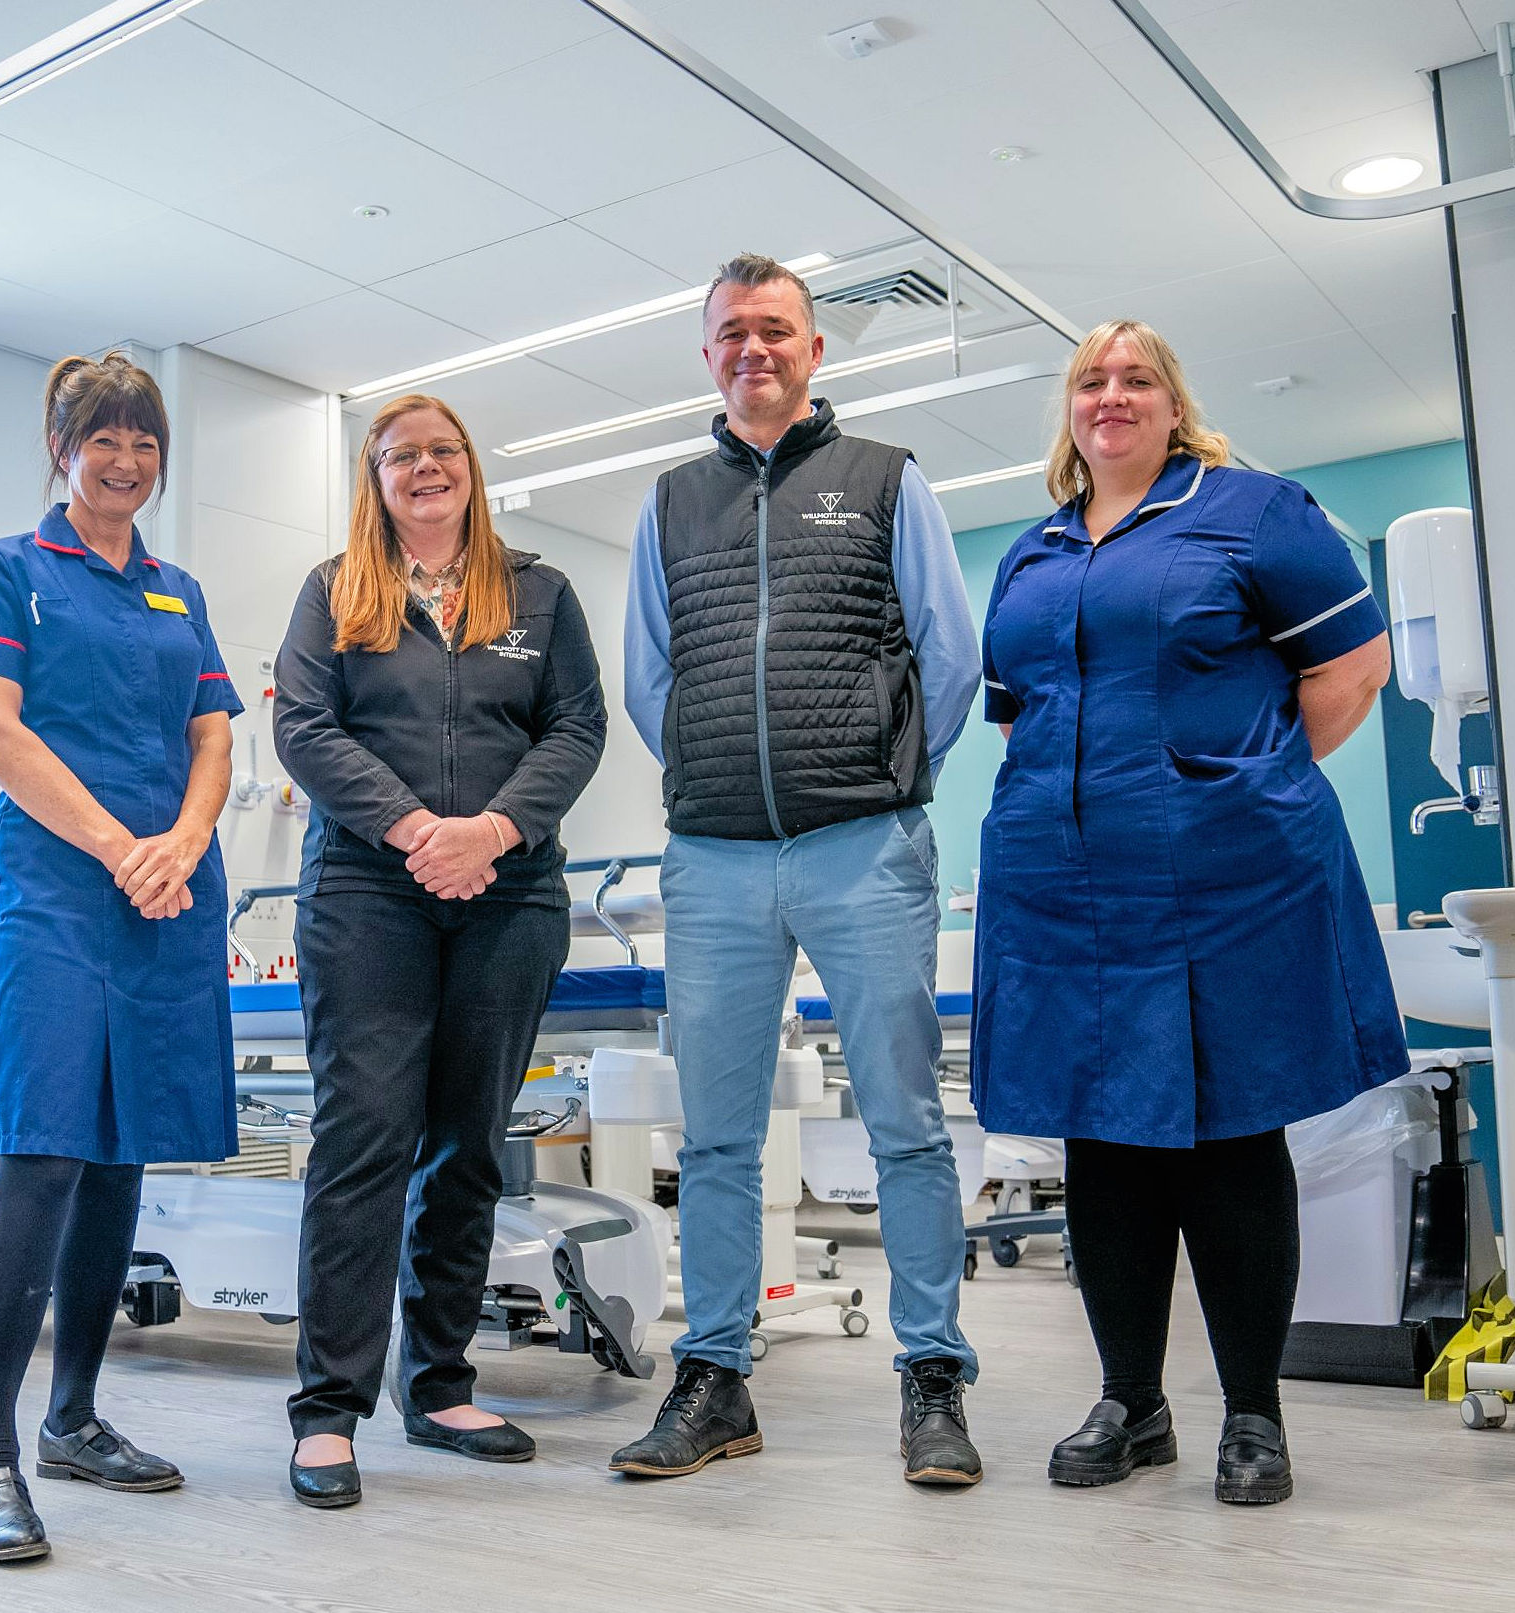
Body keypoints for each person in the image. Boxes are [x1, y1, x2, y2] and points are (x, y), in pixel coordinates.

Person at [972, 319, 1404, 1506]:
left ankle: (1253, 1413)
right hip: (1062, 888)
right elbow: (1019, 712)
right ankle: (1132, 1398)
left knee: (1229, 1133)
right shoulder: (1032, 552)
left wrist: (1235, 784)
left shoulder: (1255, 511)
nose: (1112, 395)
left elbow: (1349, 670)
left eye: (1136, 379)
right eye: (1090, 381)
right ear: (1069, 409)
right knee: (1099, 1139)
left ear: (1172, 403)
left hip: (1224, 879)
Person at [611, 253, 985, 1487]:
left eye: (776, 330)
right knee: (716, 1135)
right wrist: (722, 774)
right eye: (730, 333)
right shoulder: (669, 501)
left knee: (904, 1121)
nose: (752, 350)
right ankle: (714, 1375)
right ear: (707, 353)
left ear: (816, 350)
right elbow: (649, 680)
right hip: (714, 859)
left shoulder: (884, 480)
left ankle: (932, 1373)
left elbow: (949, 652)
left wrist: (877, 772)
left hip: (861, 843)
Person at [273, 392, 606, 1510]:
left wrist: (492, 832)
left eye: (442, 449)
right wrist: (420, 831)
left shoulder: (540, 593)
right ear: (374, 479)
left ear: (472, 464)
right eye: (399, 455)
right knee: (365, 1139)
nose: (423, 467)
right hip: (371, 890)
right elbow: (304, 728)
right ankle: (328, 1409)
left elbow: (577, 728)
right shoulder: (334, 591)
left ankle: (441, 1382)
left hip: (510, 895)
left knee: (467, 1142)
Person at [0, 352, 244, 1562]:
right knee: (47, 1149)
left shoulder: (180, 589)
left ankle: (72, 1417)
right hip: (64, 891)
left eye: (146, 442)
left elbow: (214, 732)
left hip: (168, 889)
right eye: (102, 438)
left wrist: (184, 839)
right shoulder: (9, 568)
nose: (125, 460)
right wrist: (125, 846)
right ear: (61, 447)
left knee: (121, 1156)